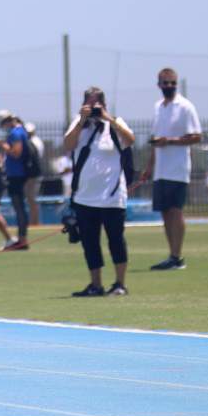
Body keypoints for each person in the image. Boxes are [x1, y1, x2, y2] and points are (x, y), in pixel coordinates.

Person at [64, 87, 135, 297]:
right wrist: (81, 119)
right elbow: (68, 144)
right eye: (90, 103)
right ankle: (96, 284)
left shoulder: (114, 123)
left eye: (97, 104)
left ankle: (120, 283)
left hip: (112, 197)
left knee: (116, 240)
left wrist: (107, 118)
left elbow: (130, 140)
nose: (93, 108)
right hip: (85, 197)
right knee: (90, 243)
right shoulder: (79, 125)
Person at [134, 67, 201, 269]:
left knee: (175, 210)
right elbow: (156, 141)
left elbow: (196, 136)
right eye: (165, 83)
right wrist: (149, 167)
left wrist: (170, 141)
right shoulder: (158, 107)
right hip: (161, 170)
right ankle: (172, 255)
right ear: (159, 85)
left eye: (172, 82)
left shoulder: (186, 107)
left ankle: (177, 256)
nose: (169, 86)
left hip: (178, 169)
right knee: (164, 212)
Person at [0, 111, 34, 250]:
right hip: (17, 174)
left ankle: (22, 239)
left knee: (19, 207)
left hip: (16, 175)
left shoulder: (16, 133)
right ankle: (21, 238)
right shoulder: (20, 131)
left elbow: (16, 152)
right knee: (19, 207)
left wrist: (4, 146)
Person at [24, 121, 45, 226]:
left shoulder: (33, 142)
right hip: (36, 173)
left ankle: (35, 222)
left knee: (31, 198)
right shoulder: (37, 141)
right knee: (32, 198)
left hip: (33, 174)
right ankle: (34, 221)